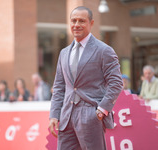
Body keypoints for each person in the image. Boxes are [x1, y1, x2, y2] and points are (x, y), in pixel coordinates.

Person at [49, 6, 123, 150]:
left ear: (91, 23)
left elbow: (116, 83)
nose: (76, 25)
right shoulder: (64, 53)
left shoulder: (104, 50)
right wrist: (54, 115)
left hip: (91, 116)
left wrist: (102, 110)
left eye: (81, 21)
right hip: (66, 117)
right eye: (73, 21)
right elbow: (59, 86)